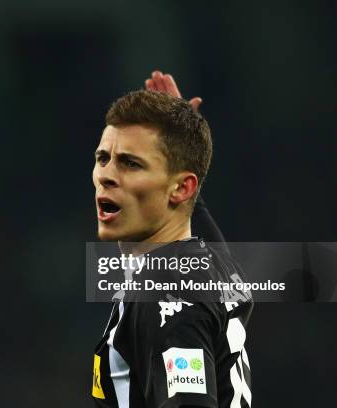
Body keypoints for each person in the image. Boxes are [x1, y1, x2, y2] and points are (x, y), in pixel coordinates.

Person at [91, 71, 253, 408]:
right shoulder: (204, 262)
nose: (106, 176)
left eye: (130, 164)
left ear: (182, 188)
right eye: (103, 158)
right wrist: (182, 150)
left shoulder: (166, 294)